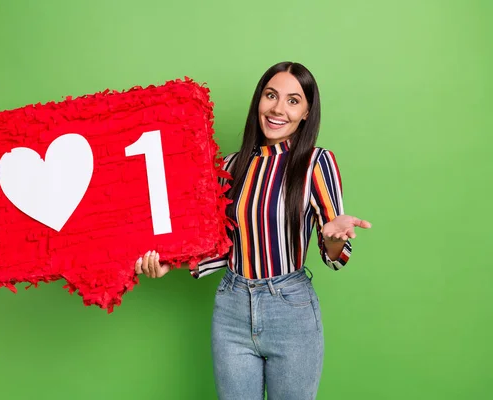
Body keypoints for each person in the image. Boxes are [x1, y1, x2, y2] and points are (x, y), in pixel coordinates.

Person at [134, 61, 371, 400]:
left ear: (306, 112)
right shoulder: (229, 167)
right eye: (271, 96)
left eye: (293, 101)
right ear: (259, 101)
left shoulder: (316, 163)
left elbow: (336, 258)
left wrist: (333, 238)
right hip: (231, 306)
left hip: (289, 308)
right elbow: (222, 243)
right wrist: (173, 262)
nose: (278, 109)